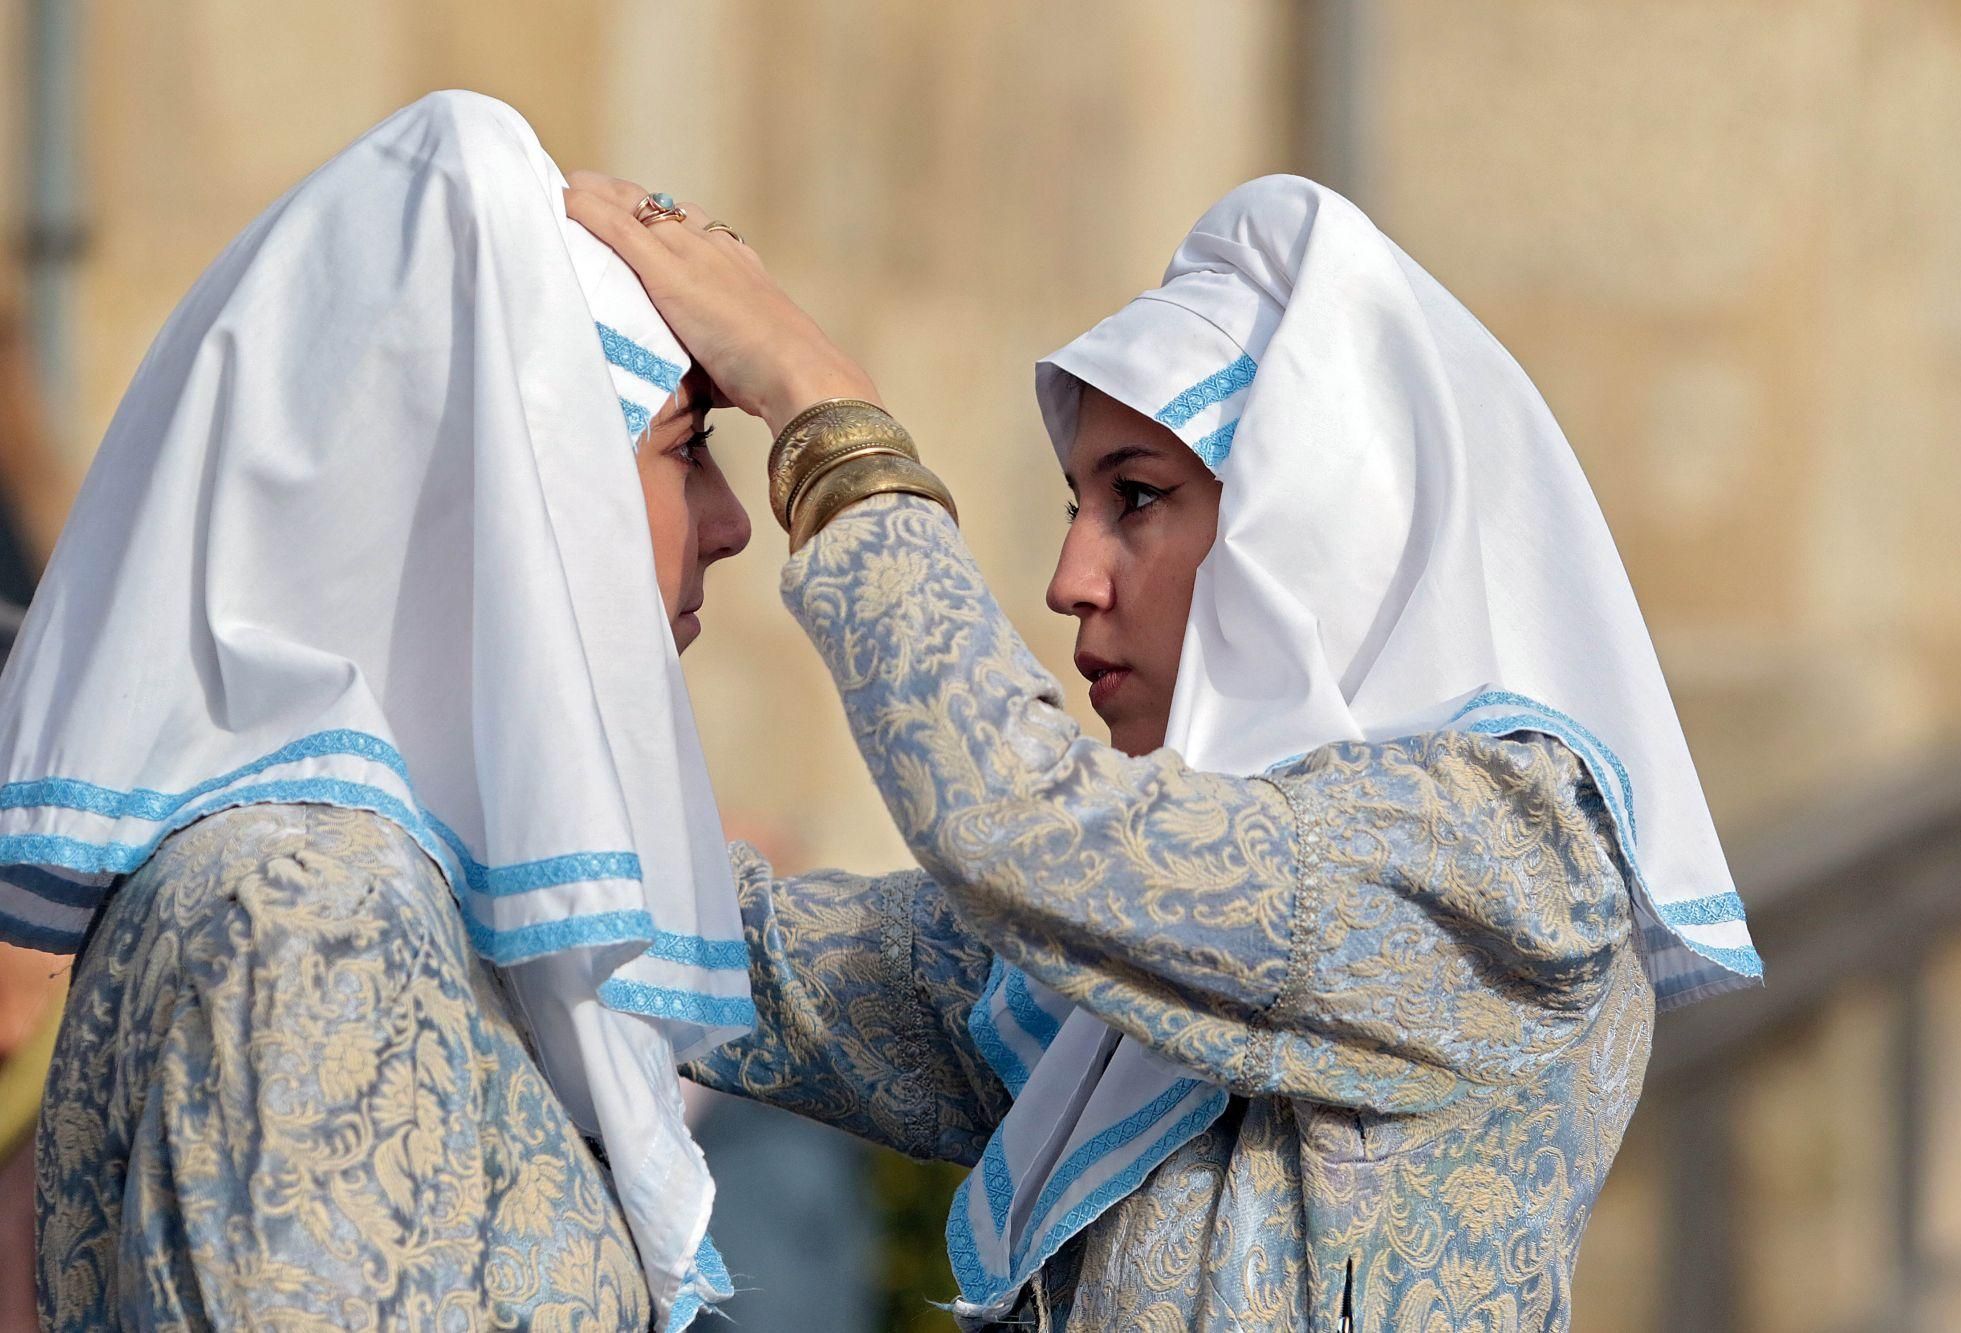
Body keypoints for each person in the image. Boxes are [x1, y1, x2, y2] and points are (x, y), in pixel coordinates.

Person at [563, 171, 1763, 1331]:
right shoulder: (1144, 942)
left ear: (1307, 524)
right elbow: (751, 962)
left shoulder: (1509, 857)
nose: (1070, 579)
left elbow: (1020, 825)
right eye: (1075, 506)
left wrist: (821, 406)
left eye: (1134, 498)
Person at [0, 93, 761, 1329]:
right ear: (506, 486)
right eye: (684, 448)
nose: (730, 526)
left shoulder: (365, 882)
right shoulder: (314, 910)